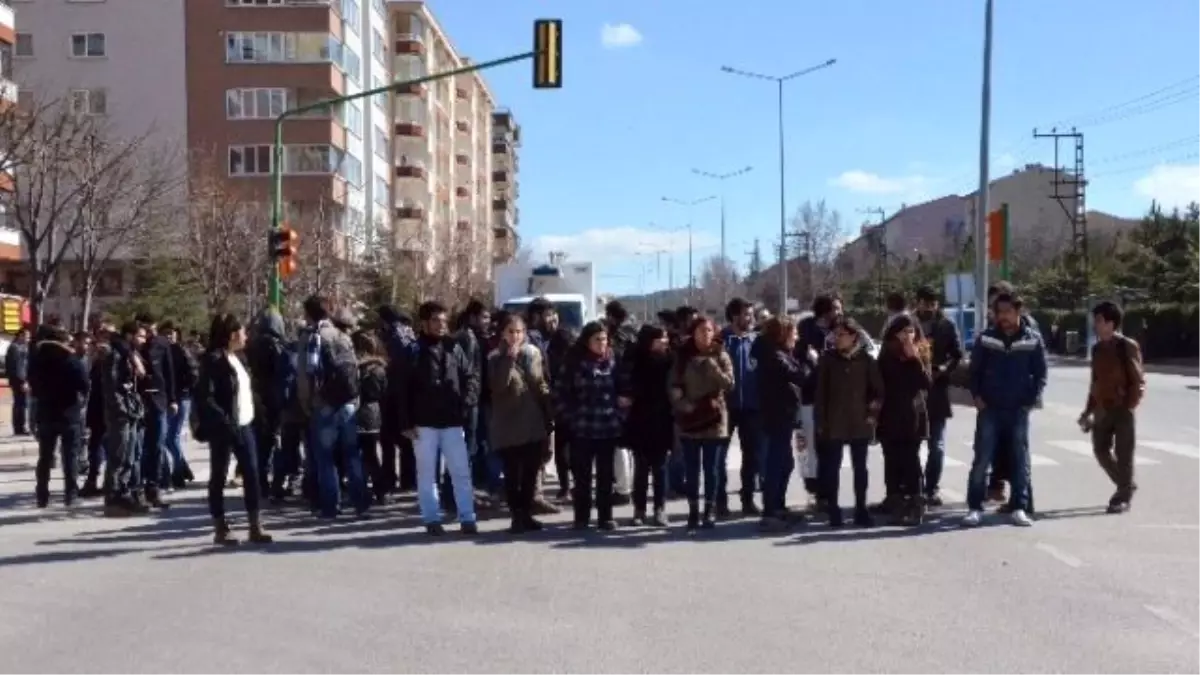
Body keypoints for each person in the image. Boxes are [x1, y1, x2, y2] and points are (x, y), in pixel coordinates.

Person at [398, 301, 481, 536]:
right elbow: (401, 390)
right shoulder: (412, 351)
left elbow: (470, 376)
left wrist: (467, 400)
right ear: (423, 323)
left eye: (444, 320)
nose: (441, 325)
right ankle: (431, 518)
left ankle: (467, 517)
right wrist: (405, 422)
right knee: (427, 473)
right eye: (436, 320)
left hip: (453, 420)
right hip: (423, 423)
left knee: (460, 471)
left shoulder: (454, 347)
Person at [964, 292, 1047, 528]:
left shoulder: (1032, 340)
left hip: (1017, 409)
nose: (1003, 317)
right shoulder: (986, 339)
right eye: (999, 312)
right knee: (982, 458)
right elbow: (975, 372)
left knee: (1020, 459)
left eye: (1008, 312)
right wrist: (977, 396)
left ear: (1018, 312)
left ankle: (1020, 506)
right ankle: (974, 507)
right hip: (990, 408)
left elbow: (1041, 374)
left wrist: (1031, 399)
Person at [194, 313, 272, 546]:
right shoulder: (213, 360)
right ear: (231, 334)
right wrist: (223, 421)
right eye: (242, 331)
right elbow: (205, 397)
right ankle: (220, 527)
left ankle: (255, 525)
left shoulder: (239, 358)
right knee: (219, 475)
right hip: (224, 427)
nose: (246, 335)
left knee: (252, 473)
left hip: (245, 424)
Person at [297, 298, 369, 520]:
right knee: (352, 454)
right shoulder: (342, 336)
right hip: (347, 402)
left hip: (324, 404)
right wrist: (355, 400)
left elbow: (304, 375)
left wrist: (307, 404)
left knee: (325, 458)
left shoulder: (311, 338)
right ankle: (361, 504)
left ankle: (331, 506)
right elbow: (354, 370)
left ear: (309, 314)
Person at [554, 321, 628, 531]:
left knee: (605, 476)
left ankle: (606, 517)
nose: (602, 344)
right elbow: (560, 393)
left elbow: (625, 389)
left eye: (604, 339)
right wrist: (570, 417)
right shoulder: (574, 362)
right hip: (582, 427)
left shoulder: (614, 361)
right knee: (582, 477)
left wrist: (620, 413)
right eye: (597, 339)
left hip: (608, 426)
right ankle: (581, 517)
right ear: (587, 341)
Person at [487, 313, 553, 533]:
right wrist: (509, 359)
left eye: (519, 332)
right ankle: (516, 515)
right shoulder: (495, 357)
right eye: (511, 332)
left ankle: (526, 513)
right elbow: (497, 386)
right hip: (507, 423)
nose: (516, 336)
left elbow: (538, 382)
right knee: (512, 473)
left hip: (532, 420)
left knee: (531, 472)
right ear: (503, 333)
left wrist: (549, 405)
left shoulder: (533, 353)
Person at [814, 317, 882, 528]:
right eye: (836, 335)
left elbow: (878, 391)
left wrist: (872, 413)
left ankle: (861, 509)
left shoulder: (866, 360)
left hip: (859, 421)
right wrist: (820, 420)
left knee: (860, 468)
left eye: (842, 335)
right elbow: (821, 393)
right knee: (832, 468)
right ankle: (834, 510)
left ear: (854, 337)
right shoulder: (828, 360)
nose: (837, 338)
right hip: (834, 422)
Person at [669, 316, 735, 530]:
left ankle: (709, 510)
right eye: (700, 330)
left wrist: (711, 366)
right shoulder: (682, 356)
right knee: (692, 468)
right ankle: (693, 511)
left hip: (714, 419)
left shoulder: (720, 354)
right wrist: (682, 403)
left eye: (708, 330)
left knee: (712, 468)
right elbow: (673, 385)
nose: (705, 334)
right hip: (690, 418)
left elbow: (729, 383)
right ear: (693, 333)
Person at [1078, 301, 1144, 514]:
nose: (1095, 325)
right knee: (1100, 450)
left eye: (1099, 321)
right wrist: (1087, 411)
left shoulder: (1126, 346)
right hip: (1101, 409)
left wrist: (1129, 404)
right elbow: (1095, 382)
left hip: (1122, 408)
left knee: (1124, 454)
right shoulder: (1096, 350)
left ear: (1111, 323)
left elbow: (1138, 381)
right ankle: (1126, 485)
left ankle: (1122, 496)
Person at [876, 314, 933, 526]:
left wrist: (915, 358)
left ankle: (916, 502)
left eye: (911, 331)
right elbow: (880, 381)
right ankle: (894, 500)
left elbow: (926, 383)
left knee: (911, 459)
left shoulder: (920, 351)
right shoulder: (886, 353)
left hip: (913, 413)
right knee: (892, 458)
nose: (907, 336)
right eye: (903, 332)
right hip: (889, 412)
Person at [755, 316, 807, 530]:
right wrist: (810, 360)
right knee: (776, 464)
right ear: (783, 334)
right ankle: (770, 512)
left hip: (781, 415)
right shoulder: (775, 356)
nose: (797, 337)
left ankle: (778, 507)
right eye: (794, 333)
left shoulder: (777, 353)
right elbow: (799, 376)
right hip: (777, 415)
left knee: (785, 463)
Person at [29, 325, 89, 508]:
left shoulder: (37, 359)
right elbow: (84, 383)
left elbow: (32, 383)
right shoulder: (70, 359)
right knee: (70, 455)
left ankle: (42, 495)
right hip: (68, 412)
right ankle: (70, 495)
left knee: (45, 456)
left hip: (46, 411)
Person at [913, 286, 963, 507]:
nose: (929, 307)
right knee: (911, 444)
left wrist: (943, 368)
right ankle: (913, 487)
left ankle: (931, 488)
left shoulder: (947, 325)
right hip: (913, 392)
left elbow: (958, 354)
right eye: (924, 303)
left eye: (932, 303)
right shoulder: (909, 324)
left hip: (937, 391)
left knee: (937, 445)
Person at [621, 324, 674, 527]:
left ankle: (660, 508)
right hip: (640, 419)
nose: (665, 341)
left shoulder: (670, 360)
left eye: (666, 338)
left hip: (662, 420)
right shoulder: (635, 359)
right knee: (641, 469)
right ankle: (639, 509)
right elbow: (626, 385)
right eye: (661, 338)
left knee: (660, 468)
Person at [100, 321, 149, 517]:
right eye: (140, 336)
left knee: (129, 455)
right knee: (118, 455)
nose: (143, 341)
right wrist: (120, 409)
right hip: (120, 412)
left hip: (130, 409)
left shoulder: (129, 354)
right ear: (129, 335)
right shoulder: (115, 354)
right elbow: (111, 386)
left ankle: (124, 492)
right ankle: (113, 497)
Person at [797, 294, 843, 503]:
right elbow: (797, 357)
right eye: (836, 308)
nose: (839, 312)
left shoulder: (842, 329)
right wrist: (811, 364)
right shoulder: (806, 329)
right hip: (810, 395)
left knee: (831, 444)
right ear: (824, 311)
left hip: (834, 397)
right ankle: (812, 484)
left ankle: (828, 490)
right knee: (808, 442)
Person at [721, 297, 763, 516]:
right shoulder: (721, 341)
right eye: (747, 314)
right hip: (725, 408)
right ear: (735, 316)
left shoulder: (757, 341)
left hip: (752, 408)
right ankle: (719, 502)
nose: (752, 318)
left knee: (752, 456)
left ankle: (747, 499)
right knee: (720, 455)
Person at [351, 331, 389, 504]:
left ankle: (360, 492)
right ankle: (380, 491)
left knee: (355, 455)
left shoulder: (355, 368)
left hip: (357, 411)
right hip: (374, 413)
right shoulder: (380, 369)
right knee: (372, 455)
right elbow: (383, 392)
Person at [162, 323, 198, 489]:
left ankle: (178, 472)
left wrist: (183, 390)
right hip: (173, 397)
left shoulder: (180, 351)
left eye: (172, 333)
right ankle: (181, 469)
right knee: (170, 438)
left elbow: (192, 374)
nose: (169, 336)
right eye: (166, 333)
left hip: (180, 398)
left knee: (170, 438)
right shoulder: (164, 350)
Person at [5, 327, 30, 436]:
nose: (28, 339)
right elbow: (17, 367)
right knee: (20, 404)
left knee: (22, 404)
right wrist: (23, 381)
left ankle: (20, 426)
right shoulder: (15, 348)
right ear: (21, 336)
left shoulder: (20, 347)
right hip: (18, 380)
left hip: (19, 379)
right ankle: (19, 427)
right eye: (27, 336)